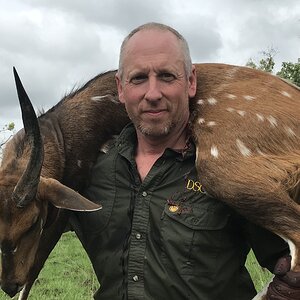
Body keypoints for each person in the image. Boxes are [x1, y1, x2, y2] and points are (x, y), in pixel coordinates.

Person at [71, 22, 300, 300]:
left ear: (190, 82)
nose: (153, 93)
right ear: (121, 88)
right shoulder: (94, 172)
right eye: (139, 78)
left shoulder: (230, 170)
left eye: (167, 76)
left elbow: (286, 261)